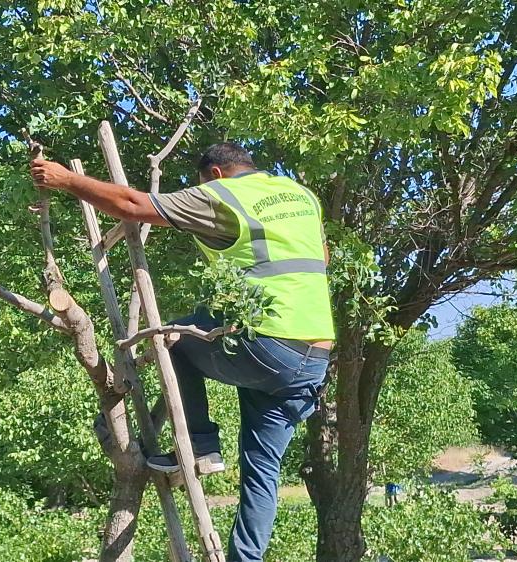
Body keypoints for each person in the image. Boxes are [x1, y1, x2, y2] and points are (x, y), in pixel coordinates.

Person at [31, 142, 334, 562]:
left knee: (172, 336)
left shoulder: (221, 193)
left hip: (267, 344)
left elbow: (133, 203)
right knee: (262, 473)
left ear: (215, 173)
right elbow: (322, 257)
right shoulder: (300, 195)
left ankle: (202, 444)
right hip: (312, 360)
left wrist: (65, 180)